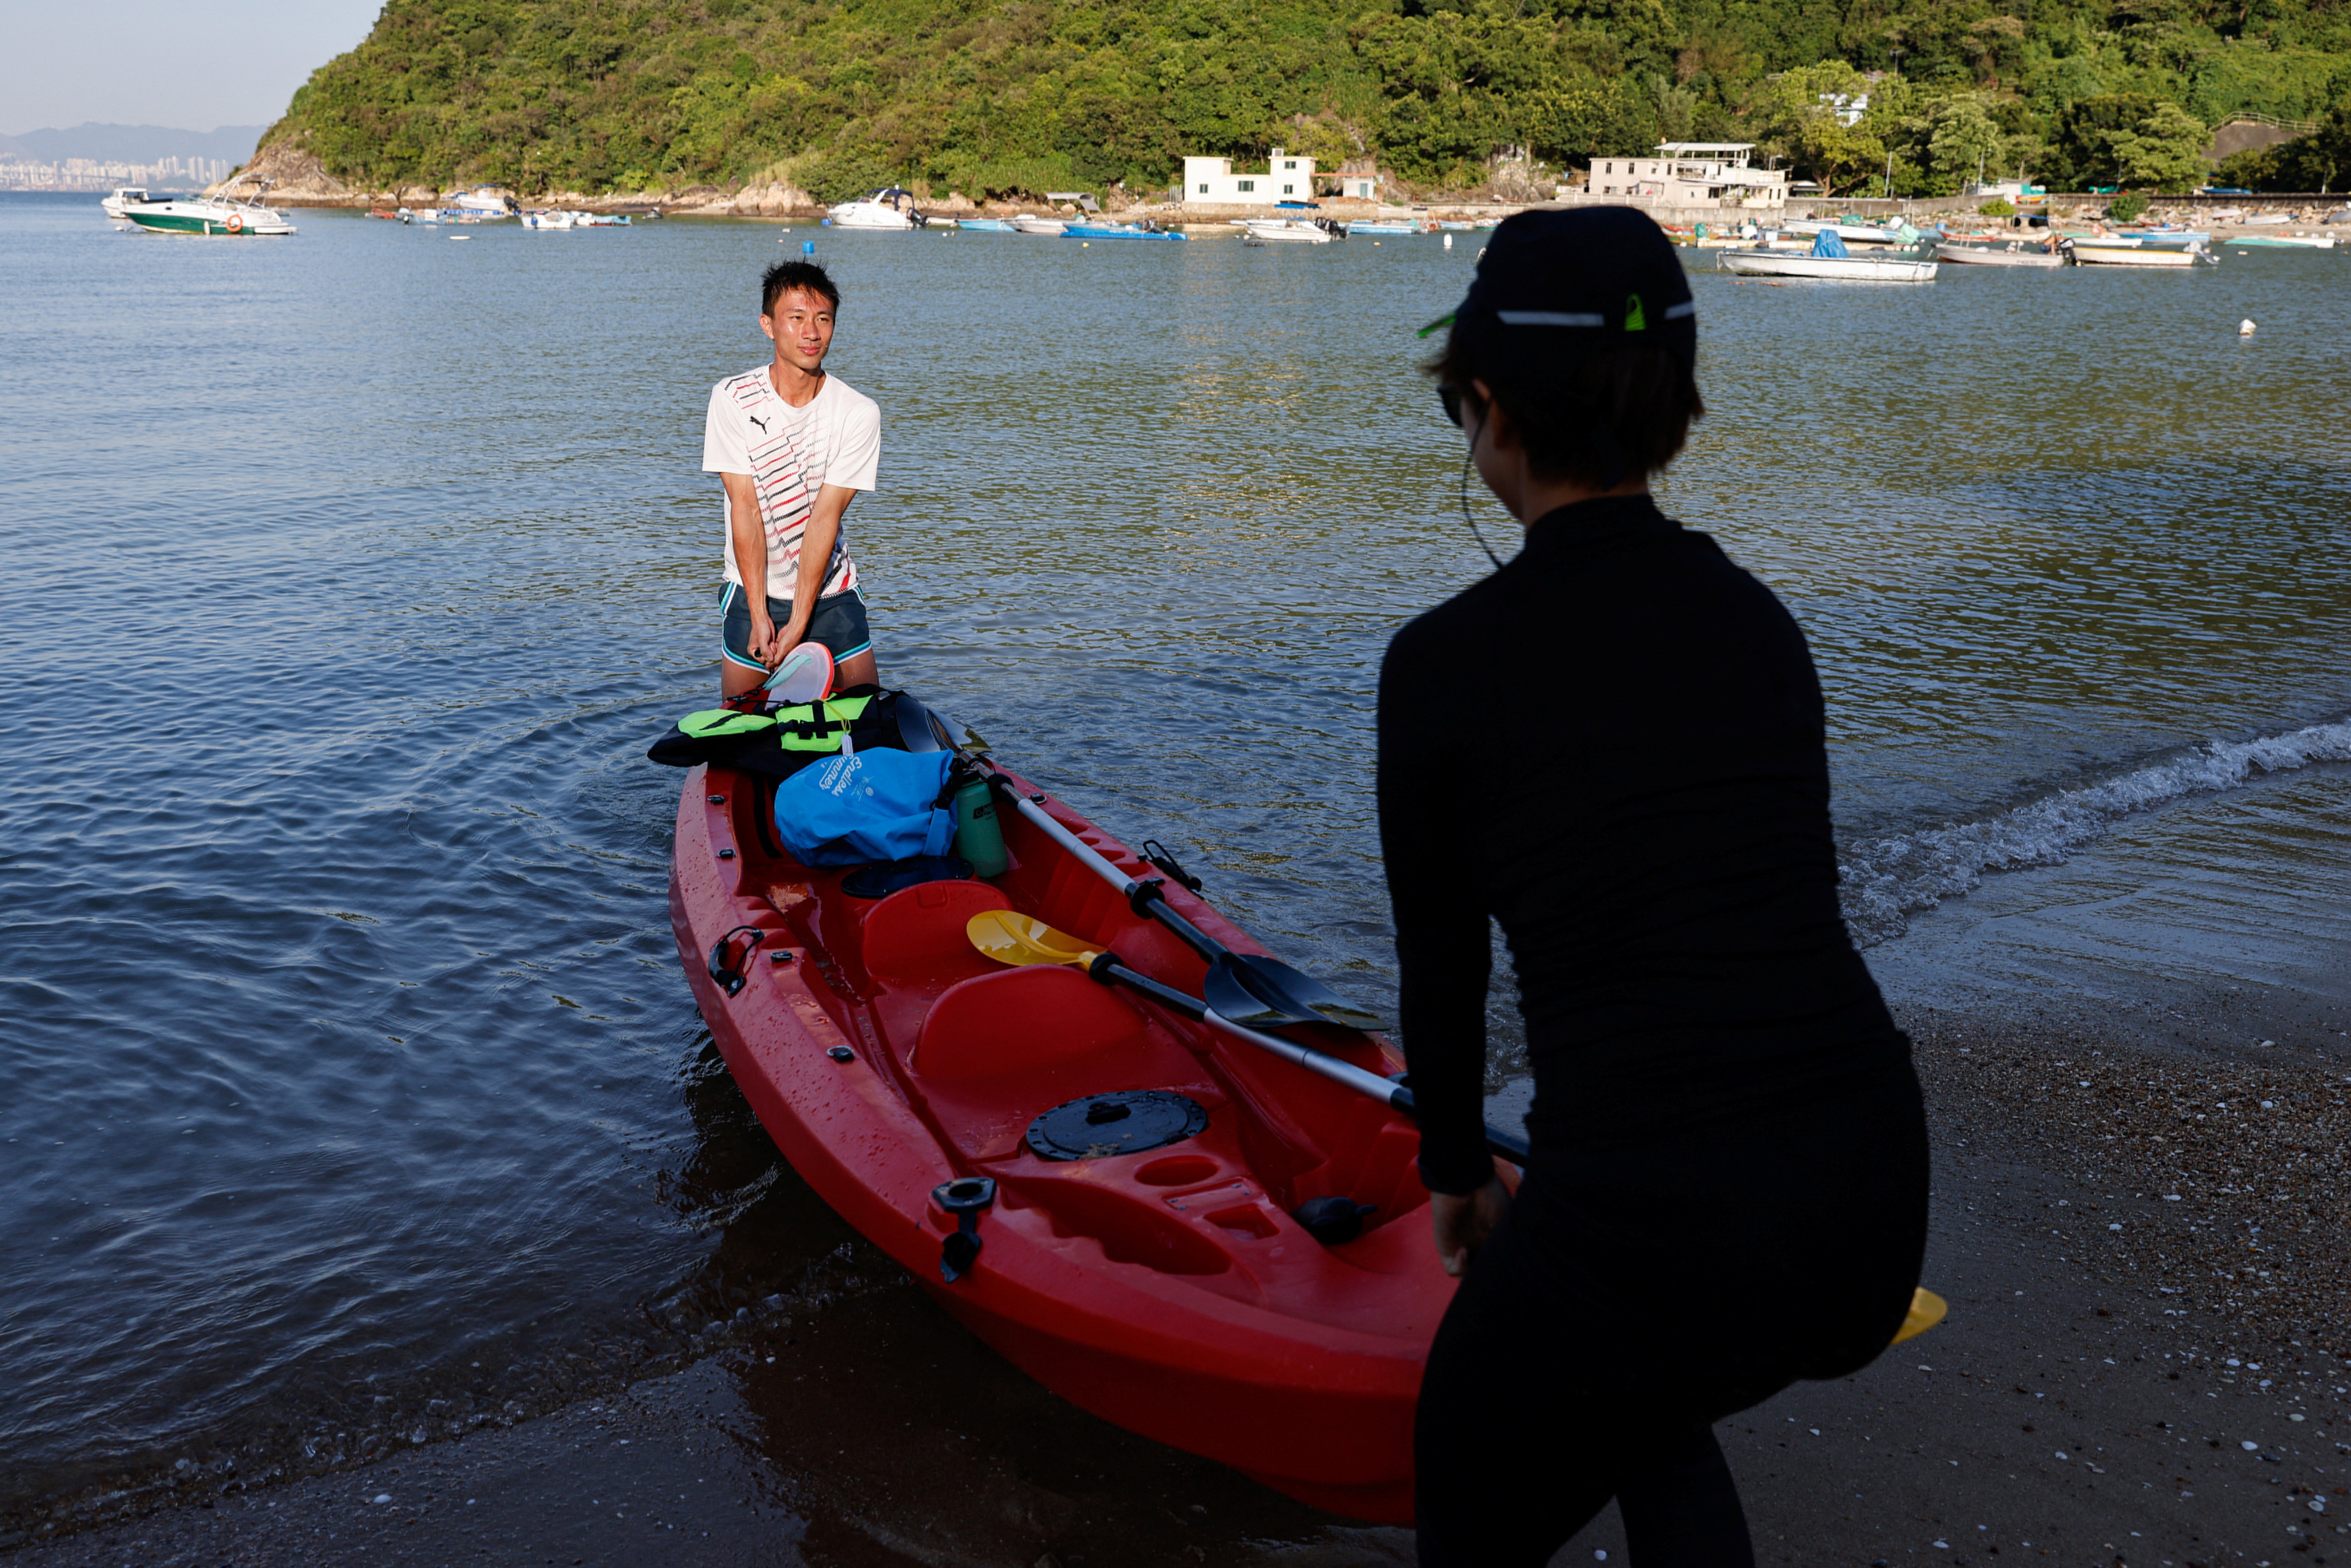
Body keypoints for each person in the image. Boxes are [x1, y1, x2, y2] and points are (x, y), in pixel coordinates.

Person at [1379, 208, 1930, 1566]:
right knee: (1643, 1380)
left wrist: (1456, 1172)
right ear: (1668, 406)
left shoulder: (1444, 667)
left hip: (1658, 1212)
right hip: (1867, 1195)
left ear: (1488, 406)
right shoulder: (1757, 623)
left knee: (1467, 1470)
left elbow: (1441, 972)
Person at [703, 260, 882, 698]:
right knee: (740, 727)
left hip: (830, 593)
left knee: (870, 720)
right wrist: (761, 613)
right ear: (768, 325)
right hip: (752, 588)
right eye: (796, 318)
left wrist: (800, 620)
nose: (811, 332)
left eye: (823, 319)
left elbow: (825, 518)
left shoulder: (858, 413)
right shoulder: (732, 398)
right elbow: (744, 507)